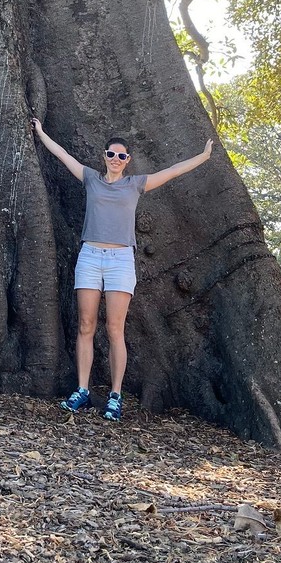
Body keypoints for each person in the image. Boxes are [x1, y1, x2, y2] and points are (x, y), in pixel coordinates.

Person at [31, 118, 213, 421]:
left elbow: (171, 172)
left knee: (115, 328)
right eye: (112, 154)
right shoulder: (91, 178)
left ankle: (115, 395)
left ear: (128, 161)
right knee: (86, 326)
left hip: (120, 261)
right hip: (90, 255)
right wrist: (40, 133)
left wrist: (204, 157)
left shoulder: (135, 184)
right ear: (104, 156)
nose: (116, 160)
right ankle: (82, 390)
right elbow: (64, 156)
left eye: (122, 156)